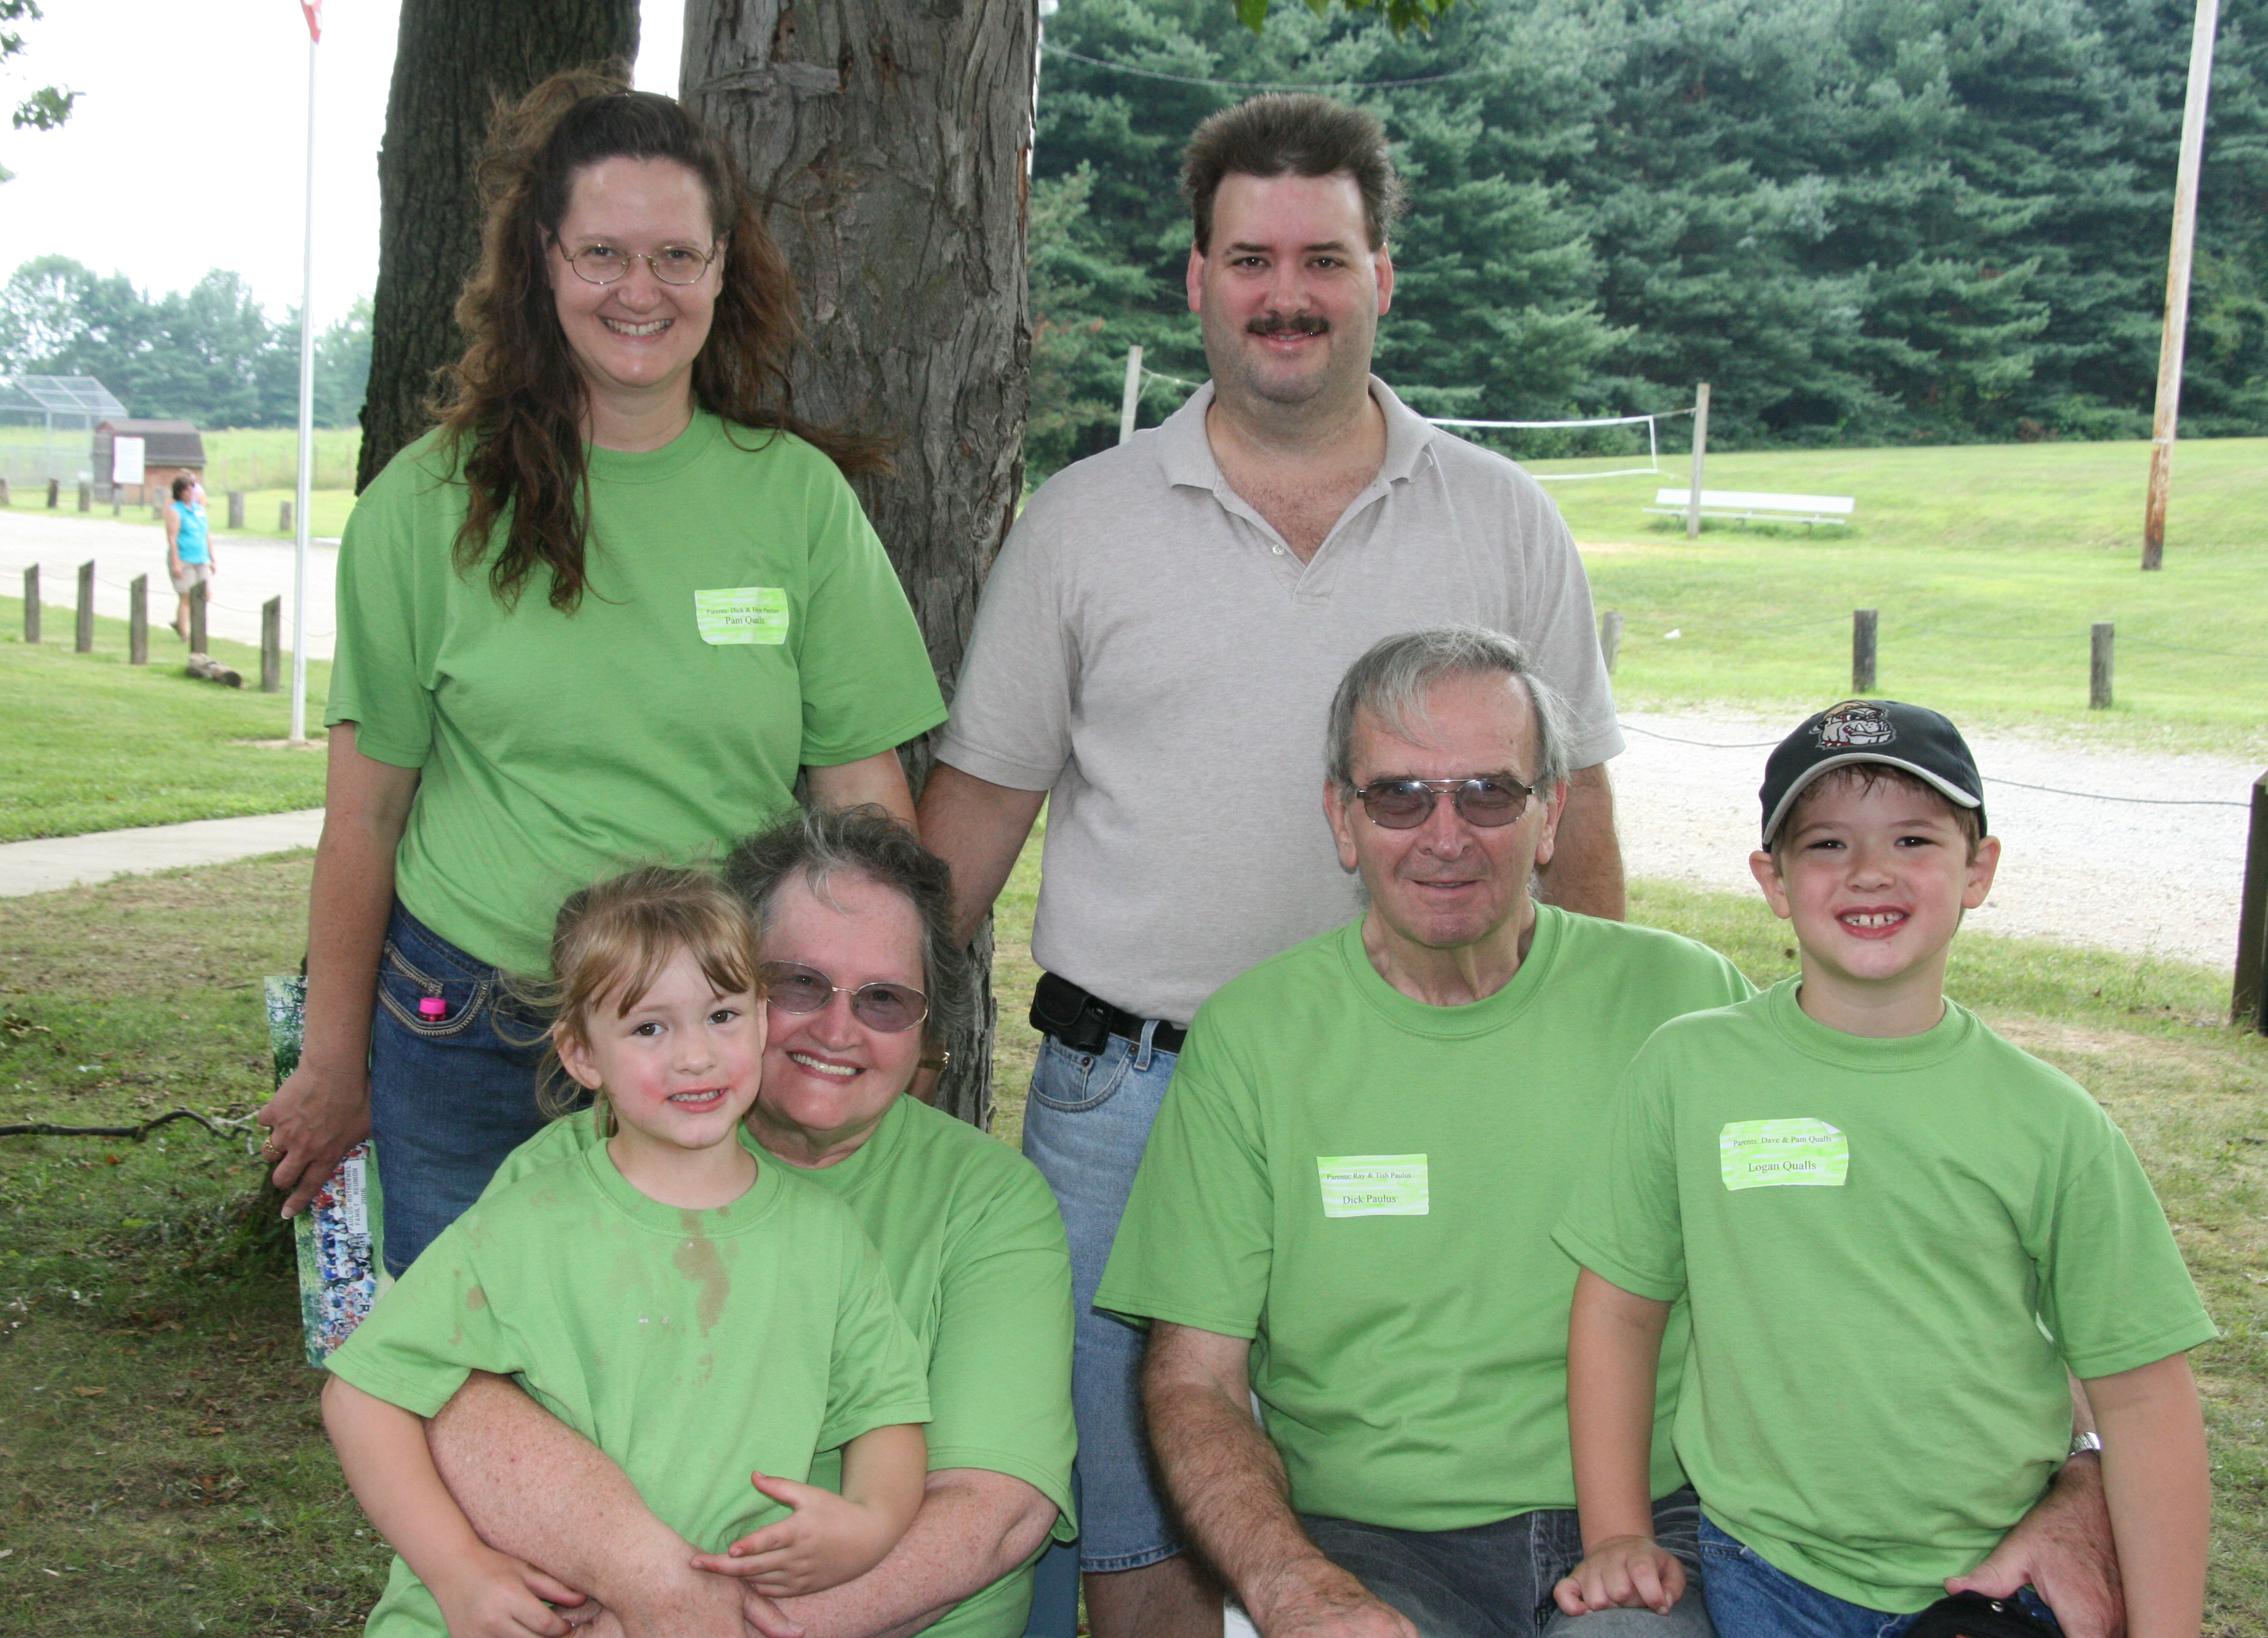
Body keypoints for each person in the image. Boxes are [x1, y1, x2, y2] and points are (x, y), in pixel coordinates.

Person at [919, 94, 1625, 1636]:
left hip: (1423, 1085)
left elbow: (1576, 841)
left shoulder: (1506, 522)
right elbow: (967, 827)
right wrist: (875, 1050)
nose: (1285, 294)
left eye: (1323, 259)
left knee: (1385, 1490)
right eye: (1250, 259)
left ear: (1384, 275)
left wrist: (1596, 1072)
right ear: (1196, 280)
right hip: (1133, 1098)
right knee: (1137, 1520)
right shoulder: (1082, 525)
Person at [1095, 630, 2132, 1638]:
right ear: (1341, 817)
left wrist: (2080, 1470)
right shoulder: (1255, 1038)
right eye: (1400, 795)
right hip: (1378, 1543)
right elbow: (1196, 1377)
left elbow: (1948, 1232)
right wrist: (1292, 1587)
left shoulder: (1683, 999)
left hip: (1667, 1529)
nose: (1445, 835)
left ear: (1550, 813)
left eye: (1489, 793)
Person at [255, 71, 946, 1273]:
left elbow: (862, 799)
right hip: (470, 1030)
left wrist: (882, 1018)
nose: (640, 290)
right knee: (472, 1366)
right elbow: (363, 818)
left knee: (703, 1367)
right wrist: (330, 1063)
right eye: (603, 255)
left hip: (717, 1038)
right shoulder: (421, 507)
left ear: (723, 268)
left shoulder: (797, 503)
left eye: (676, 256)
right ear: (543, 262)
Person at [1554, 700, 2213, 1638]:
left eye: (1913, 839)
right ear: (1773, 880)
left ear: (1979, 870)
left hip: (1993, 1577)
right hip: (1768, 1568)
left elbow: (2146, 1395)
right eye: (1827, 844)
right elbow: (1620, 1309)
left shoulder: (2051, 1122)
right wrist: (1618, 1531)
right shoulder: (1687, 1070)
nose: (1870, 871)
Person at [417, 806, 1077, 1638]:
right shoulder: (568, 1170)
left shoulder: (987, 1200)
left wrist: (703, 1627)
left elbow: (994, 1513)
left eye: (884, 1000)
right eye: (798, 984)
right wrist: (651, 1592)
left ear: (925, 1031)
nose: (837, 1030)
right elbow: (449, 1403)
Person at [320, 862, 932, 1638]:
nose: (695, 1056)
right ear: (582, 1054)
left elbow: (887, 1413)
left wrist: (869, 1524)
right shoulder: (526, 1223)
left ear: (763, 1020)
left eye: (722, 1015)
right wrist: (456, 1569)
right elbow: (363, 1395)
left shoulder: (826, 1238)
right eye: (649, 1028)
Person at [164, 473, 215, 640]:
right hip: (184, 559)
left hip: (201, 558)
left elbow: (206, 535)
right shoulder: (175, 511)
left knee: (204, 595)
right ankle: (184, 634)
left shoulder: (199, 510)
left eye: (192, 490)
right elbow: (172, 538)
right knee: (186, 596)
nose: (191, 493)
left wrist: (213, 559)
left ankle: (185, 625)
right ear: (179, 492)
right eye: (186, 490)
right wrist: (176, 563)